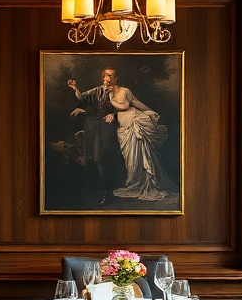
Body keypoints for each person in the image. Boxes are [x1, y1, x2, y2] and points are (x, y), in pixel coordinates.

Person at [107, 77, 177, 202]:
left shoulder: (124, 91)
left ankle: (145, 183)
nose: (108, 81)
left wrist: (150, 111)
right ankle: (135, 183)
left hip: (135, 122)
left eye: (110, 77)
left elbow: (131, 103)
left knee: (141, 155)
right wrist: (113, 114)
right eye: (106, 78)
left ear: (116, 79)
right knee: (131, 159)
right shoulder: (106, 93)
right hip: (124, 126)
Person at [67, 67, 125, 205]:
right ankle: (95, 191)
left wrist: (114, 114)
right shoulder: (97, 90)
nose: (107, 78)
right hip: (93, 126)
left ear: (116, 78)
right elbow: (82, 98)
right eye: (105, 75)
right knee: (91, 158)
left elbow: (128, 108)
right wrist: (75, 88)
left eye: (110, 76)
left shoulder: (121, 92)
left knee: (102, 158)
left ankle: (108, 191)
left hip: (107, 128)